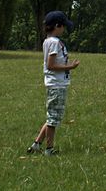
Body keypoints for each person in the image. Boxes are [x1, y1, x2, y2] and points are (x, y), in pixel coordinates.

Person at [27, 11, 80, 156]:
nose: (64, 30)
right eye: (63, 27)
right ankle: (49, 149)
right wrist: (70, 67)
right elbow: (51, 65)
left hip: (54, 84)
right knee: (53, 119)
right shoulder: (55, 43)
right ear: (57, 26)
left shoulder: (47, 41)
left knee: (52, 116)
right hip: (57, 85)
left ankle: (37, 144)